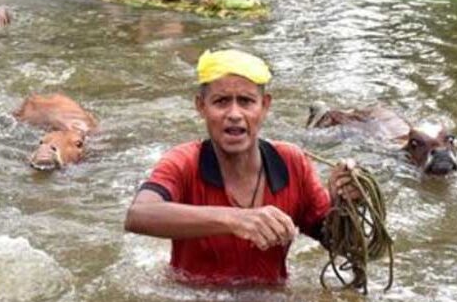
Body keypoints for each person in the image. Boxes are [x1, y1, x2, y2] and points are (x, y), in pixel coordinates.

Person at [124, 49, 362, 285]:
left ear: (265, 105)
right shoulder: (183, 161)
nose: (235, 114)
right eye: (221, 101)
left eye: (246, 101)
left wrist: (343, 205)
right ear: (201, 107)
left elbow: (341, 244)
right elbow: (138, 215)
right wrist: (236, 219)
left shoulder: (292, 162)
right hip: (198, 300)